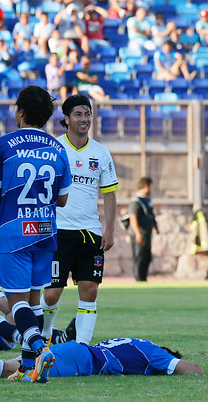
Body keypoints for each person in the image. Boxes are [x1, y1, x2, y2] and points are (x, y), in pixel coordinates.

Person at [0, 85, 72, 381]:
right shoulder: (59, 147)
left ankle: (39, 348)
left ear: (20, 112)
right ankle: (28, 368)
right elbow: (62, 199)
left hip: (14, 232)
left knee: (17, 302)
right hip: (45, 231)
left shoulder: (5, 144)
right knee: (34, 302)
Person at [41, 94, 119, 345]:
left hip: (90, 233)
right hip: (58, 232)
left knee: (90, 289)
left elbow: (109, 194)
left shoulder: (101, 153)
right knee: (52, 293)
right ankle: (43, 337)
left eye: (87, 114)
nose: (84, 119)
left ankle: (82, 347)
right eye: (78, 114)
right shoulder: (53, 148)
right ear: (66, 119)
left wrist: (109, 229)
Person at [0, 337, 203, 382]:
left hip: (74, 350)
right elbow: (194, 371)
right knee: (10, 371)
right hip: (82, 361)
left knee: (9, 367)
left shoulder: (133, 342)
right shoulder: (154, 352)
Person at [128, 177, 159, 282]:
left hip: (147, 233)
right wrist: (138, 233)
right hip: (139, 233)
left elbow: (151, 215)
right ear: (146, 186)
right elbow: (133, 218)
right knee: (139, 256)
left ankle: (144, 277)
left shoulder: (147, 200)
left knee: (147, 256)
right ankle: (138, 278)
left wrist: (155, 227)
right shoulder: (135, 202)